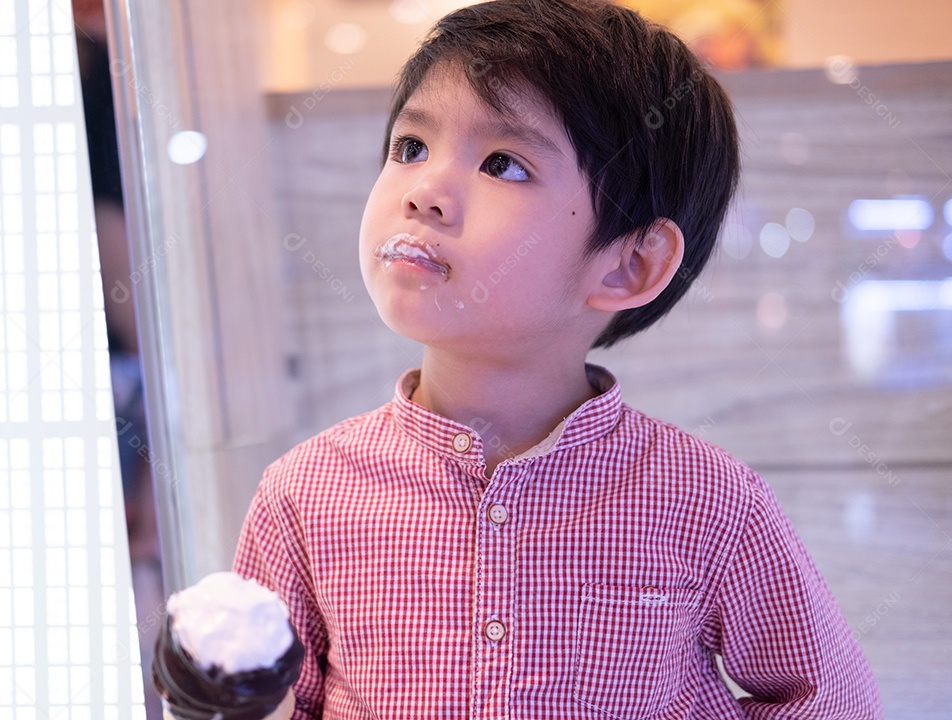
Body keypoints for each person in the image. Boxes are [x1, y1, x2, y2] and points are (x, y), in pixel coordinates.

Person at [234, 1, 883, 717]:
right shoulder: (304, 493)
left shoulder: (708, 503)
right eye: (410, 146)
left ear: (630, 264)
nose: (423, 194)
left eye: (502, 163)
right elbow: (256, 698)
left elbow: (831, 700)